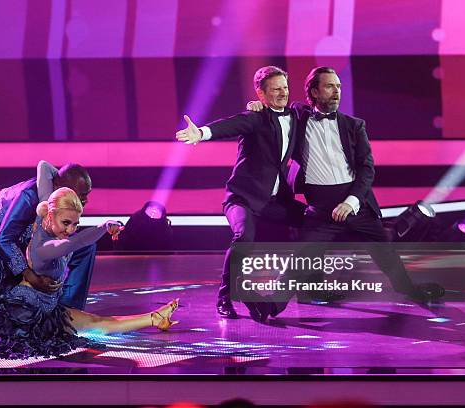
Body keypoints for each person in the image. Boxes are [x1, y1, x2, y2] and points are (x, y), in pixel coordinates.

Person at [0, 183, 179, 367]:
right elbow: (74, 243)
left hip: (46, 315)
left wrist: (104, 226)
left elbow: (45, 170)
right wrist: (105, 225)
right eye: (66, 223)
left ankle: (156, 318)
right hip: (16, 317)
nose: (70, 229)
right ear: (49, 216)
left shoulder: (55, 229)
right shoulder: (45, 245)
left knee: (98, 323)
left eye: (75, 223)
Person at [246, 67, 444, 321]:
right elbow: (274, 110)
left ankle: (413, 292)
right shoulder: (298, 116)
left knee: (387, 257)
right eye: (330, 86)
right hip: (320, 207)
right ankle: (270, 307)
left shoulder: (354, 125)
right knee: (301, 259)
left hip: (356, 203)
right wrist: (258, 106)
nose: (337, 91)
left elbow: (367, 168)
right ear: (314, 92)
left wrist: (351, 202)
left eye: (338, 86)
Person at [175, 66, 305, 321]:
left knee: (316, 223)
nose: (283, 93)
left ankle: (298, 286)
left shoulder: (296, 115)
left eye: (285, 88)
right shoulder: (255, 118)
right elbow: (230, 125)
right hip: (242, 198)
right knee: (244, 236)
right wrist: (201, 133)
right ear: (261, 93)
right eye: (276, 89)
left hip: (275, 201)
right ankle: (225, 296)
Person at [0, 160, 96, 325]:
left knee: (85, 247)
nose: (84, 200)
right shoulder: (29, 197)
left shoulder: (60, 196)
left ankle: (67, 310)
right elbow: (4, 239)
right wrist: (30, 275)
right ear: (59, 187)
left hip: (28, 231)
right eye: (80, 195)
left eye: (86, 194)